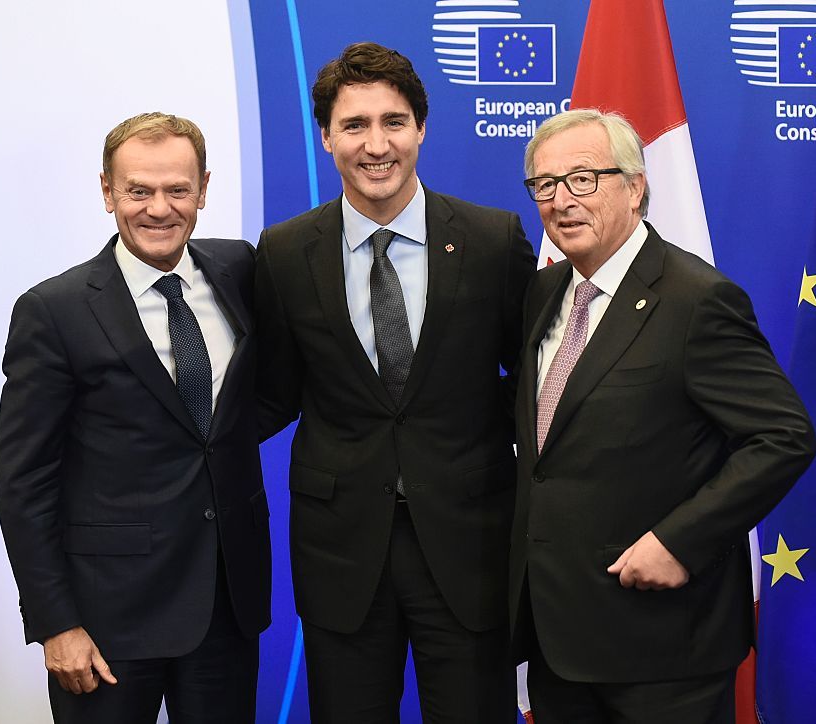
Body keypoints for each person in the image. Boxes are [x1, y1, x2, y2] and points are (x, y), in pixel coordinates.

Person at [256, 42, 535, 722]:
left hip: (470, 544)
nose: (376, 145)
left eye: (394, 122)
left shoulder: (492, 239)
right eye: (354, 125)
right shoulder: (285, 252)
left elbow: (531, 377)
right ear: (326, 137)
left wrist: (470, 440)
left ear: (421, 129)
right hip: (341, 551)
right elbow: (273, 391)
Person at [508, 108, 816, 723]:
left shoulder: (697, 299)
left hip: (663, 648)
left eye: (583, 179)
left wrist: (680, 541)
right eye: (545, 185)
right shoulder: (545, 294)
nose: (561, 201)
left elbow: (783, 436)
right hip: (558, 640)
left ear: (635, 186)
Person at [0, 112, 270, 724]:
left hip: (226, 608)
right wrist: (56, 624)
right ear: (107, 192)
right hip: (105, 622)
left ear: (203, 188)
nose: (158, 209)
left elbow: (248, 406)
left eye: (177, 189)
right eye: (138, 190)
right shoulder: (53, 310)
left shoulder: (241, 270)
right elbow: (23, 481)